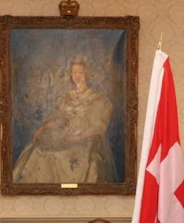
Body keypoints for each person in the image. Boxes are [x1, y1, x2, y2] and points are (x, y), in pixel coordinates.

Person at [12, 56, 116, 184]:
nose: (77, 76)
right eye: (74, 72)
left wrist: (78, 137)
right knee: (37, 151)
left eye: (80, 72)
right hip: (65, 136)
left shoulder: (97, 99)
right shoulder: (68, 97)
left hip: (85, 140)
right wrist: (43, 128)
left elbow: (98, 126)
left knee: (60, 155)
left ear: (87, 74)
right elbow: (60, 121)